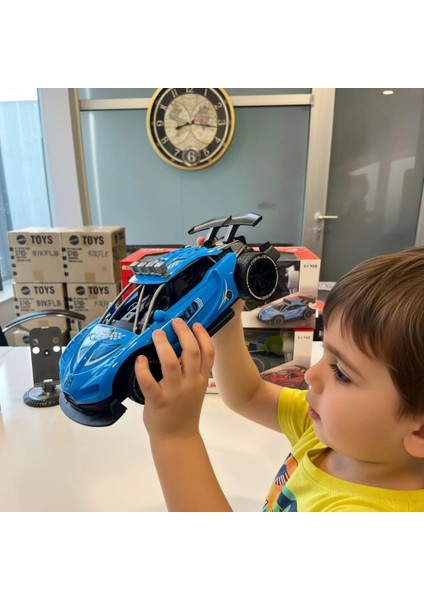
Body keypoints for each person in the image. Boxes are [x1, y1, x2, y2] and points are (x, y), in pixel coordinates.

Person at [134, 246, 424, 511]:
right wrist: (226, 313)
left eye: (342, 373)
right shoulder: (332, 435)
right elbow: (248, 395)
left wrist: (175, 438)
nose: (311, 374)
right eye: (326, 353)